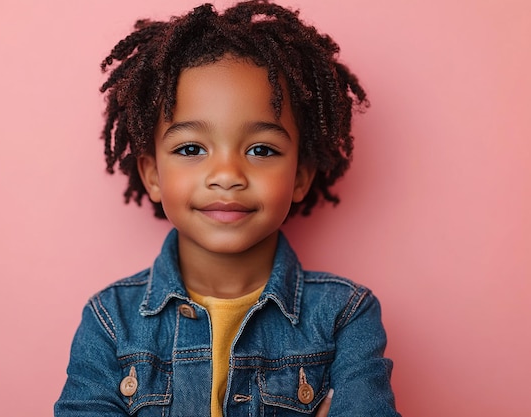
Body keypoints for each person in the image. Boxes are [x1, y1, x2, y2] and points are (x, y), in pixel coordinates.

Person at [55, 1, 400, 416]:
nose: (226, 174)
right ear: (152, 175)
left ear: (301, 176)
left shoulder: (345, 317)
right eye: (191, 148)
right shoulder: (110, 323)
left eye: (261, 149)